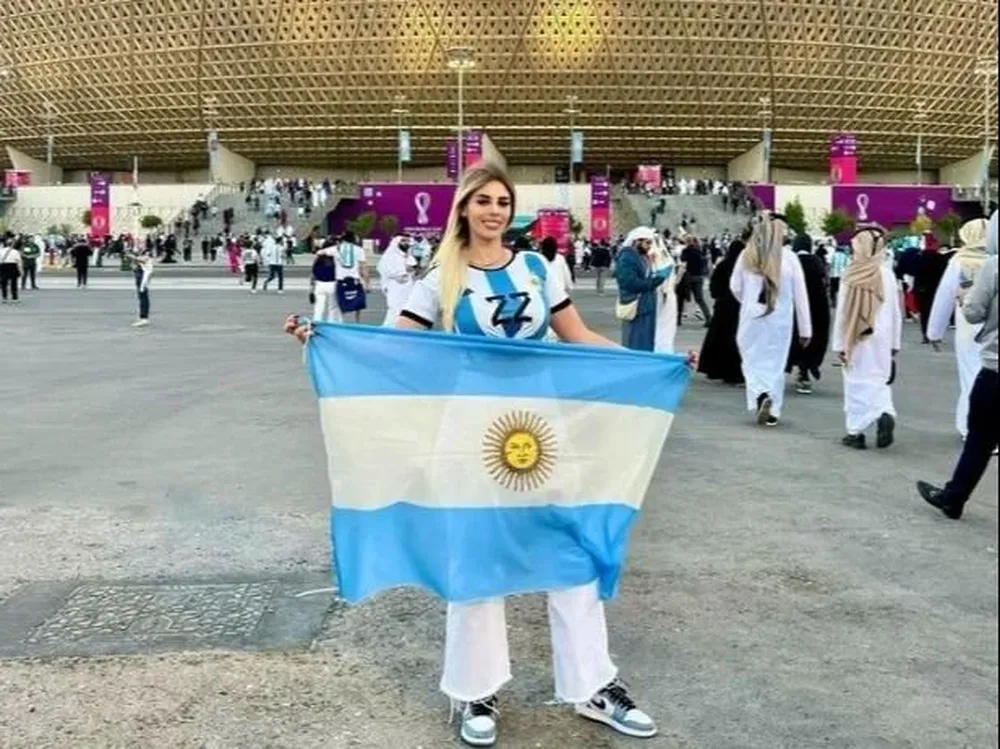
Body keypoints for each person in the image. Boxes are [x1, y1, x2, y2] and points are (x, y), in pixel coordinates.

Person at [293, 163, 659, 747]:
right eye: (482, 200)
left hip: (542, 425)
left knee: (570, 545)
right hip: (471, 428)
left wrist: (652, 364)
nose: (493, 209)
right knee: (475, 552)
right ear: (463, 208)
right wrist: (328, 338)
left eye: (501, 201)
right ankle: (476, 690)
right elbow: (400, 341)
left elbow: (579, 337)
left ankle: (594, 684)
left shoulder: (540, 267)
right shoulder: (441, 273)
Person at [918, 211, 998, 519]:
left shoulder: (992, 267)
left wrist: (965, 297)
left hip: (995, 369)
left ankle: (954, 497)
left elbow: (975, 313)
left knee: (979, 438)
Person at [729, 213, 812, 427]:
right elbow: (800, 296)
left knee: (751, 359)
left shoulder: (748, 254)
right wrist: (805, 330)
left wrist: (748, 303)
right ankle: (773, 408)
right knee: (775, 362)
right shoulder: (790, 258)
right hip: (780, 319)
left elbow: (735, 286)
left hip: (752, 317)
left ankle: (759, 393)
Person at [831, 227, 902, 450]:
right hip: (882, 336)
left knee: (855, 381)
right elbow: (895, 312)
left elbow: (843, 312)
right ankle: (884, 412)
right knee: (879, 378)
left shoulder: (851, 274)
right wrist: (895, 343)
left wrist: (839, 344)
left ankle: (855, 431)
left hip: (856, 334)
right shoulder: (887, 274)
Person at [927, 217, 992, 440]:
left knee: (971, 376)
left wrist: (934, 333)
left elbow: (944, 298)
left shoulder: (959, 261)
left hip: (968, 328)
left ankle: (972, 429)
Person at [786, 234, 831, 395]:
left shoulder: (791, 261)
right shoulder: (816, 262)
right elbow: (825, 284)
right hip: (816, 310)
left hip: (793, 309)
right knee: (811, 341)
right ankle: (805, 371)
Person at [698, 235, 747, 385]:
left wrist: (720, 296)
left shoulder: (722, 265)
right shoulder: (745, 268)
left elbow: (714, 288)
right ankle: (735, 373)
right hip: (739, 307)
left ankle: (716, 369)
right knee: (736, 340)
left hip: (722, 308)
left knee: (719, 339)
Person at [615, 227, 670, 352]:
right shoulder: (627, 257)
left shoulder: (642, 256)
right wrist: (657, 280)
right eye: (647, 243)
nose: (649, 246)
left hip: (646, 305)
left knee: (645, 341)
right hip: (637, 306)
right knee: (636, 341)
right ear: (636, 241)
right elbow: (630, 283)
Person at [376, 235, 418, 326]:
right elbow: (397, 275)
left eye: (407, 241)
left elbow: (414, 270)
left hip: (408, 290)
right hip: (395, 289)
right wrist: (406, 270)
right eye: (403, 241)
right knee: (395, 312)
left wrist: (409, 269)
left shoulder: (409, 257)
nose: (406, 243)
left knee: (405, 313)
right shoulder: (390, 256)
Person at [650, 233, 680, 353]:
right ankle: (664, 348)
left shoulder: (656, 256)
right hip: (667, 293)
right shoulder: (666, 256)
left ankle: (662, 348)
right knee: (666, 324)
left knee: (662, 323)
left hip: (663, 293)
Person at [680, 238, 712, 326]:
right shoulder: (699, 251)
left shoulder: (685, 251)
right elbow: (703, 263)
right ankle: (708, 317)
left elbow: (682, 260)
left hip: (688, 276)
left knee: (682, 297)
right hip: (698, 276)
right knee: (700, 299)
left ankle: (678, 318)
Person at [310, 244, 339, 323]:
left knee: (319, 306)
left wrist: (311, 288)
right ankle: (331, 322)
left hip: (319, 284)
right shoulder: (335, 260)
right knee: (332, 307)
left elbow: (313, 274)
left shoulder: (318, 260)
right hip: (332, 284)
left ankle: (317, 322)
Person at [129, 248, 154, 328]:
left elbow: (143, 259)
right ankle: (142, 317)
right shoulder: (140, 258)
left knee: (143, 297)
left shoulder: (147, 255)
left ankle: (144, 318)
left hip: (143, 279)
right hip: (140, 277)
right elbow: (134, 267)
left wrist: (131, 256)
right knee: (141, 297)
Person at [0, 239, 22, 304]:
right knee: (14, 283)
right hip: (13, 266)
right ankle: (14, 298)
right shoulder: (15, 251)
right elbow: (19, 261)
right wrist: (20, 270)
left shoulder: (1, 251)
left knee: (4, 283)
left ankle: (4, 298)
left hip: (3, 266)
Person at [828, 243, 849, 308]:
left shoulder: (833, 255)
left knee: (833, 289)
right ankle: (840, 302)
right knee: (840, 289)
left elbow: (829, 263)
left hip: (833, 274)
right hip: (842, 275)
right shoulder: (846, 256)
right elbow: (848, 265)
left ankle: (833, 301)